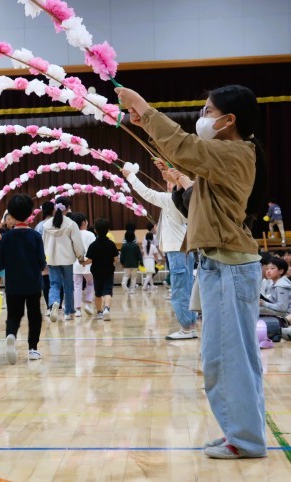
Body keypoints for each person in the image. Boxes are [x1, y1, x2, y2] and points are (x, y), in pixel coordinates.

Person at [117, 84, 267, 459]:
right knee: (219, 358)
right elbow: (196, 200)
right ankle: (239, 432)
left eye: (207, 111)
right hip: (218, 265)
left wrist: (143, 109)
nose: (202, 117)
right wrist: (181, 180)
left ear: (229, 121)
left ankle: (246, 439)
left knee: (230, 359)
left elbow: (185, 147)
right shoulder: (228, 155)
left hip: (230, 266)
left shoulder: (234, 151)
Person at [0, 194, 45, 363]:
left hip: (13, 284)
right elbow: (42, 263)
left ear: (11, 215)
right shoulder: (35, 236)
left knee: (14, 315)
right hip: (33, 283)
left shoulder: (6, 237)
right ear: (30, 214)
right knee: (34, 315)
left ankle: (11, 336)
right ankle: (33, 349)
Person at [42, 197, 85, 322]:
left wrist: (44, 257)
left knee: (54, 284)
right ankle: (68, 312)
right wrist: (80, 257)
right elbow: (77, 243)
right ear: (68, 208)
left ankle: (54, 303)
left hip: (52, 259)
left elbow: (43, 242)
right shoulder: (71, 224)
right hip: (67, 259)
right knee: (68, 285)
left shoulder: (46, 224)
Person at [81, 218, 119, 320]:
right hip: (109, 271)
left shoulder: (93, 245)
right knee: (108, 291)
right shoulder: (111, 244)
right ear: (108, 230)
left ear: (95, 230)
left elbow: (89, 260)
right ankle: (107, 309)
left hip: (96, 272)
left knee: (98, 293)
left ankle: (99, 312)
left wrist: (83, 263)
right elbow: (116, 259)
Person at [68, 212, 95, 316]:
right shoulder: (90, 234)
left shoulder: (72, 234)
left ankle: (77, 309)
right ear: (84, 222)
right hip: (88, 263)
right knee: (91, 283)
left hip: (75, 264)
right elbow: (93, 249)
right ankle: (87, 303)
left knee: (77, 286)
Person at [35, 201, 54, 315]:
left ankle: (49, 307)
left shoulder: (39, 226)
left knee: (46, 282)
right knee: (57, 281)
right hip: (57, 256)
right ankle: (58, 305)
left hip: (44, 256)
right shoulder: (58, 222)